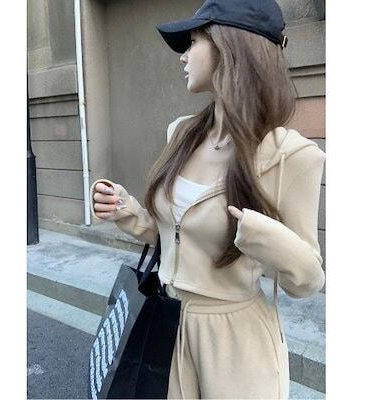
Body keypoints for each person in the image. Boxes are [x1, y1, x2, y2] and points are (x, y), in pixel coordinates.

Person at [90, 1, 326, 398]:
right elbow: (176, 236)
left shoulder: (292, 156)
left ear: (230, 48)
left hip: (236, 345)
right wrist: (126, 210)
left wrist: (259, 234)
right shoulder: (181, 134)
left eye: (193, 41)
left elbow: (308, 281)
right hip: (166, 328)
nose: (183, 56)